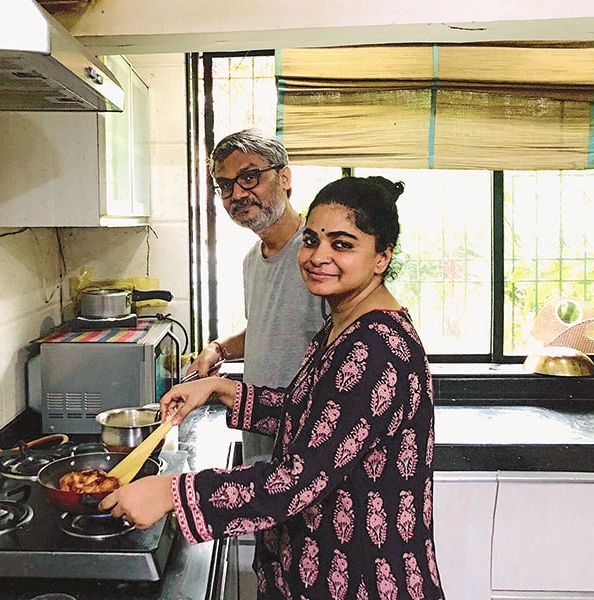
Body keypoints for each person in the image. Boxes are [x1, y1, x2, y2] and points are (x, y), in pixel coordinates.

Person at [100, 176, 445, 599]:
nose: (318, 257)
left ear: (381, 257)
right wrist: (219, 388)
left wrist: (173, 493)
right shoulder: (343, 326)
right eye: (311, 240)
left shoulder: (374, 348)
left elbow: (299, 479)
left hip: (360, 579)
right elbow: (315, 417)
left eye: (342, 244)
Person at [186, 128, 324, 464]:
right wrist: (218, 349)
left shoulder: (321, 257)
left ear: (284, 177)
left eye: (249, 177)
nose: (237, 194)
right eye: (225, 185)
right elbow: (268, 333)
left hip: (310, 449)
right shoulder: (252, 260)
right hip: (260, 441)